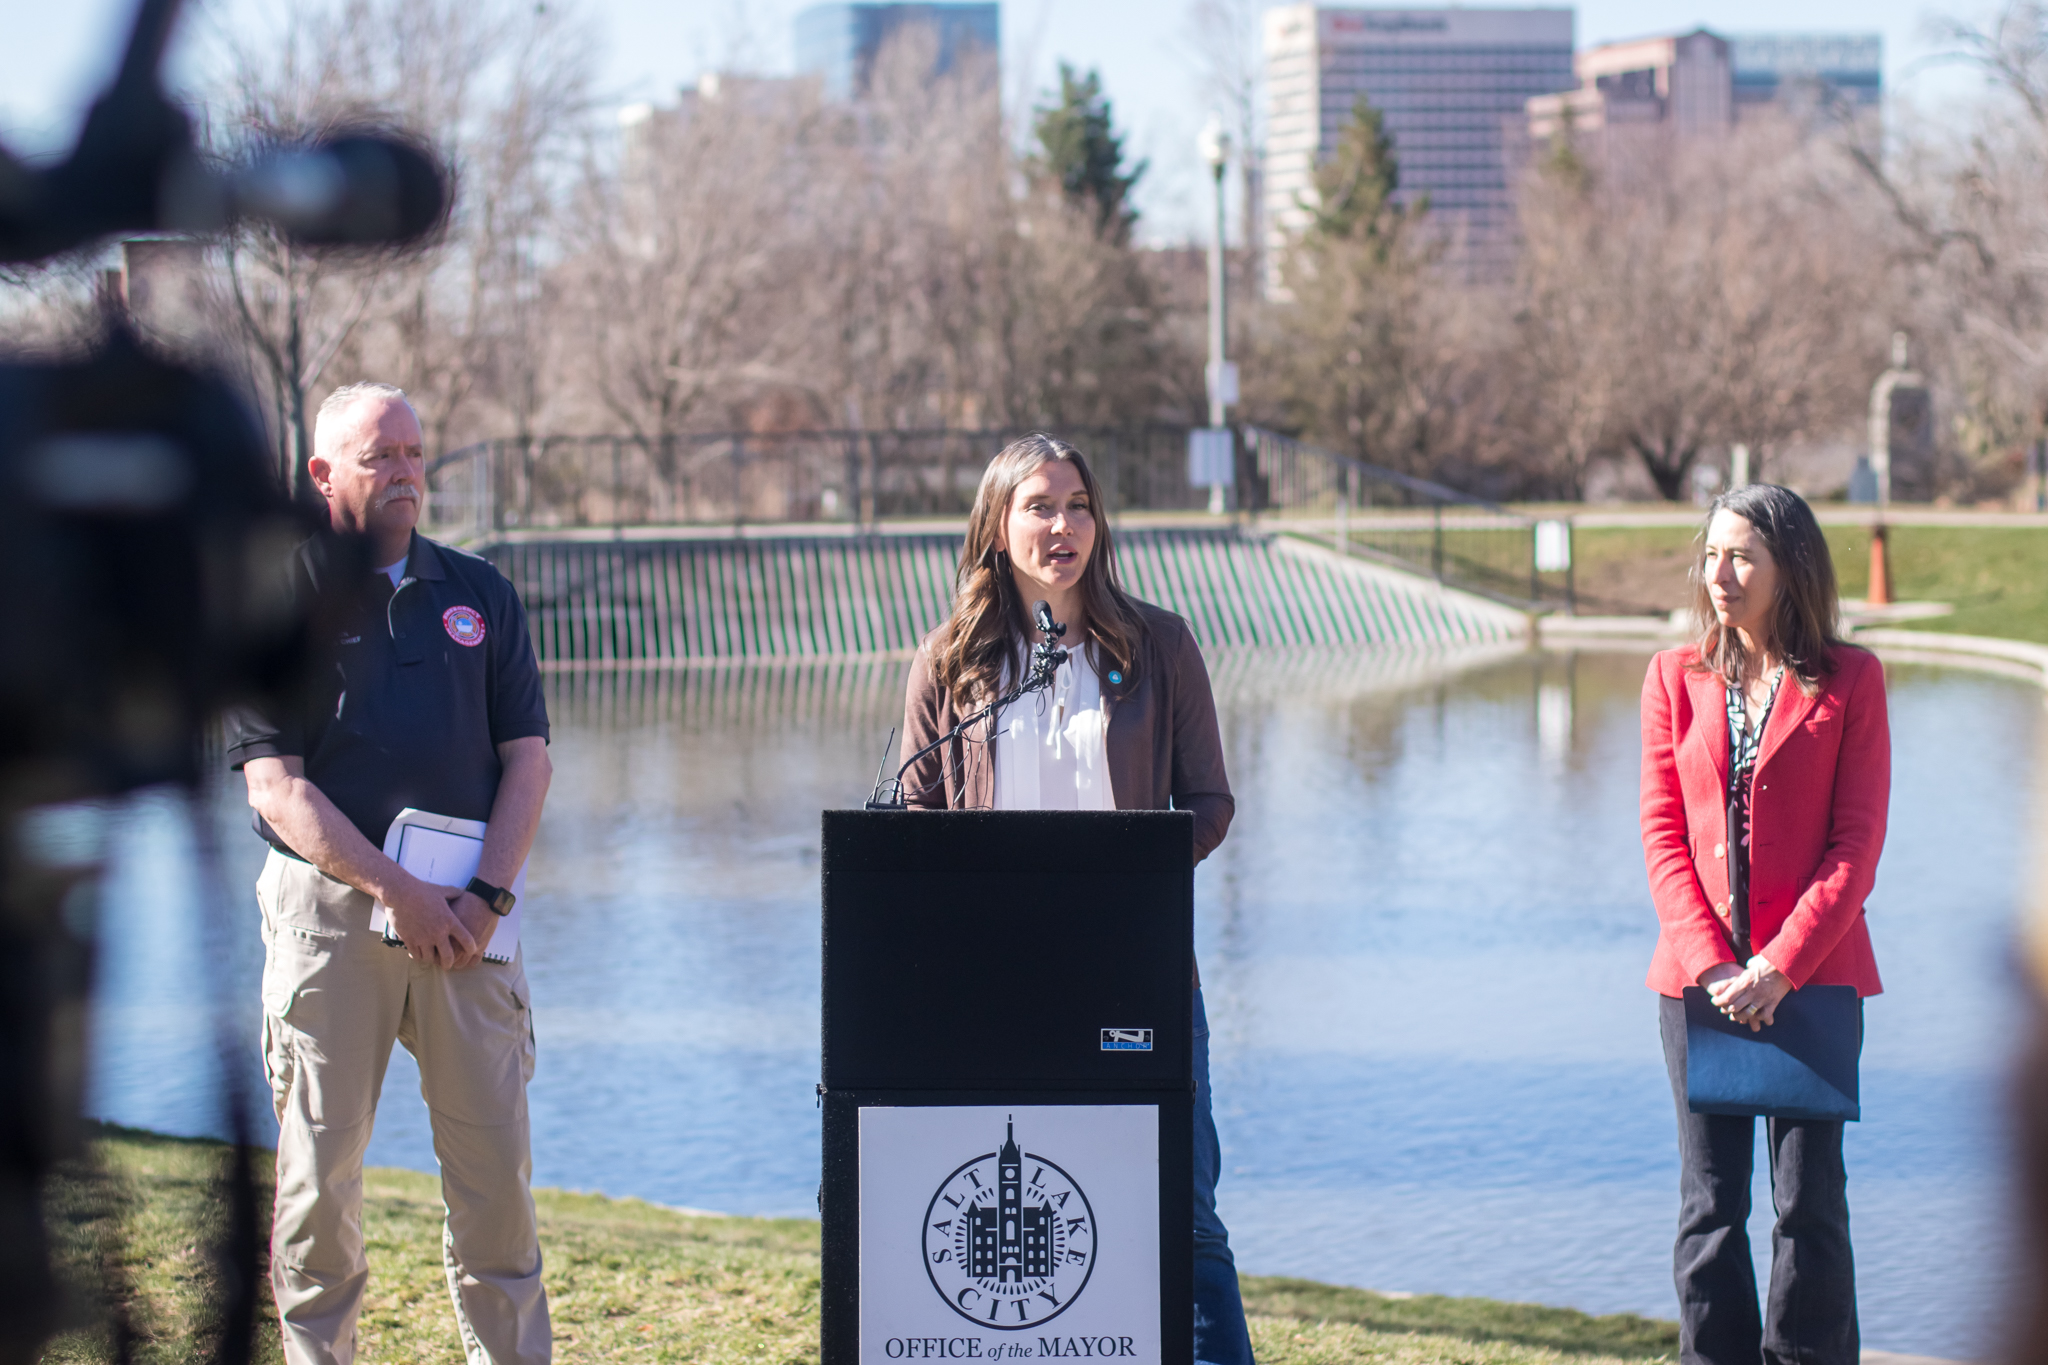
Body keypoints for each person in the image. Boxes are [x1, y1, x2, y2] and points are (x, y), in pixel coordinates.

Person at [897, 432, 1252, 1365]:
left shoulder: (1160, 644)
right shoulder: (948, 662)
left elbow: (1210, 802)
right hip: (991, 986)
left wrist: (1127, 883)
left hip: (1137, 975)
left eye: (1081, 505)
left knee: (1184, 1217)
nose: (1065, 525)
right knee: (1017, 1202)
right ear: (997, 525)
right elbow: (915, 815)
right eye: (1041, 507)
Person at [227, 382, 555, 1365]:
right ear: (323, 475)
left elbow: (528, 759)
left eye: (415, 453)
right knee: (319, 1190)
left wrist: (485, 896)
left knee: (496, 1187)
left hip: (471, 922)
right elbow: (274, 788)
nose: (407, 471)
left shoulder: (479, 593)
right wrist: (392, 890)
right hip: (329, 924)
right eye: (381, 456)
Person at [1638, 484, 1888, 1365]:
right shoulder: (1674, 677)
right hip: (1697, 985)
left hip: (1813, 979)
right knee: (1710, 1209)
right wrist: (1715, 967)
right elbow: (1662, 835)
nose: (1720, 573)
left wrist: (1780, 963)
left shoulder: (1852, 679)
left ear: (1791, 565)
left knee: (1810, 1206)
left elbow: (1857, 844)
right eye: (1711, 553)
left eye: (1741, 554)